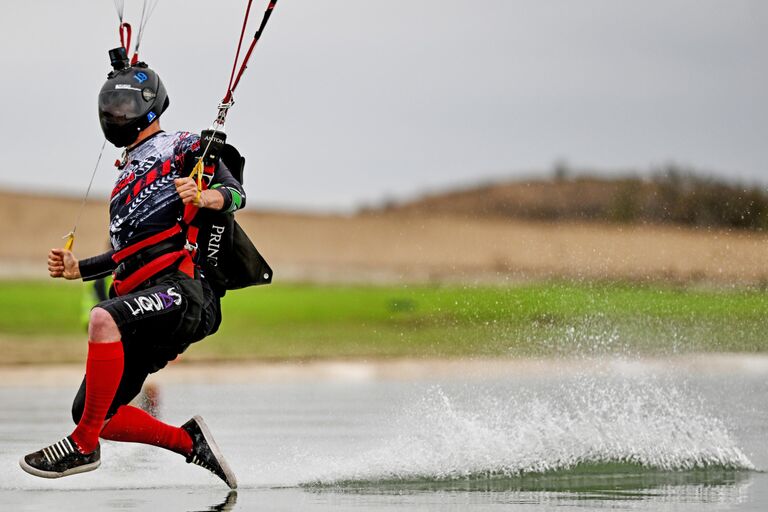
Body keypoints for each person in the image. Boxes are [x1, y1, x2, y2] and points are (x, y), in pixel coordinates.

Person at [19, 48, 243, 489]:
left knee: (102, 317)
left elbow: (235, 194)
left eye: (125, 105)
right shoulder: (124, 179)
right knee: (94, 413)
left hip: (183, 290)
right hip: (140, 294)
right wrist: (77, 268)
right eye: (110, 107)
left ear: (149, 103)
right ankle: (189, 443)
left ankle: (82, 448)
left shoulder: (184, 147)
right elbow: (129, 252)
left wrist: (206, 197)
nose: (117, 114)